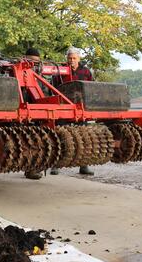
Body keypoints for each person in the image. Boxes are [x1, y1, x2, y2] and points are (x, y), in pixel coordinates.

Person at [51, 47, 94, 176]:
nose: (71, 60)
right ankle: (56, 165)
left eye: (74, 58)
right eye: (69, 58)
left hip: (81, 110)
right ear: (66, 59)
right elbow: (52, 88)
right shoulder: (59, 71)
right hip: (63, 110)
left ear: (79, 59)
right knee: (60, 137)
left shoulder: (86, 71)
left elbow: (91, 88)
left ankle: (83, 166)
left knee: (83, 138)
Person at [24, 47, 44, 180]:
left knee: (37, 141)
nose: (33, 64)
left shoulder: (40, 77)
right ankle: (30, 169)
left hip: (37, 114)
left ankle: (33, 169)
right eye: (30, 61)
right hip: (22, 113)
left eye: (36, 62)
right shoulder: (16, 72)